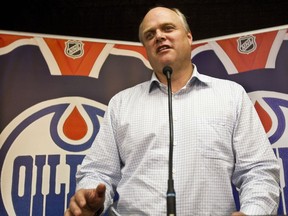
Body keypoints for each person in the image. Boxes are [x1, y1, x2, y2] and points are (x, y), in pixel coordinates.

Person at [65, 6, 280, 216]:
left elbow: (258, 170)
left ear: (188, 37)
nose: (159, 36)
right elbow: (98, 171)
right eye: (150, 35)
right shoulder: (121, 104)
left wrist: (252, 212)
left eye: (167, 28)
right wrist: (90, 197)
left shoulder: (231, 95)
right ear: (146, 50)